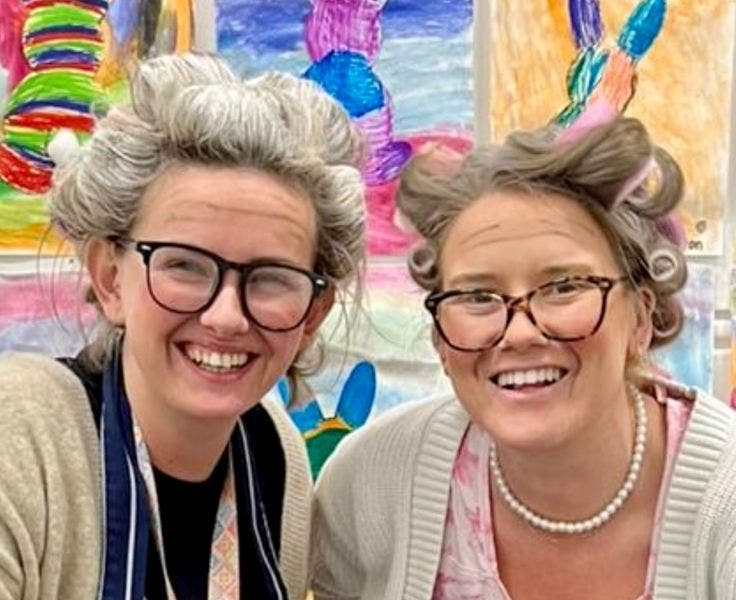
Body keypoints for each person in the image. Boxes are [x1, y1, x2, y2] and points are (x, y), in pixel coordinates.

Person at [310, 116, 736, 599]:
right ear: (441, 339)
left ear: (641, 318)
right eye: (476, 296)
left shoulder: (724, 496)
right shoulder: (372, 482)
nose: (519, 333)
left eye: (564, 287)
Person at [0, 52, 365, 599]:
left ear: (313, 312)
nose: (226, 316)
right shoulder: (19, 434)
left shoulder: (274, 454)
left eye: (271, 278)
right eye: (185, 266)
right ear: (109, 279)